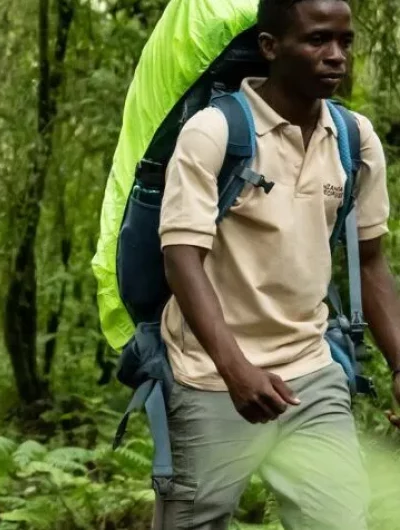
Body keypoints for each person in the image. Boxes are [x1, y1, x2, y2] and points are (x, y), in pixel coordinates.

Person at [155, 0, 400, 528]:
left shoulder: (355, 139)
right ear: (270, 47)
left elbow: (373, 261)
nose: (336, 56)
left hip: (312, 370)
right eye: (317, 40)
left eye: (345, 41)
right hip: (210, 376)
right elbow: (181, 259)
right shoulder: (212, 133)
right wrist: (235, 368)